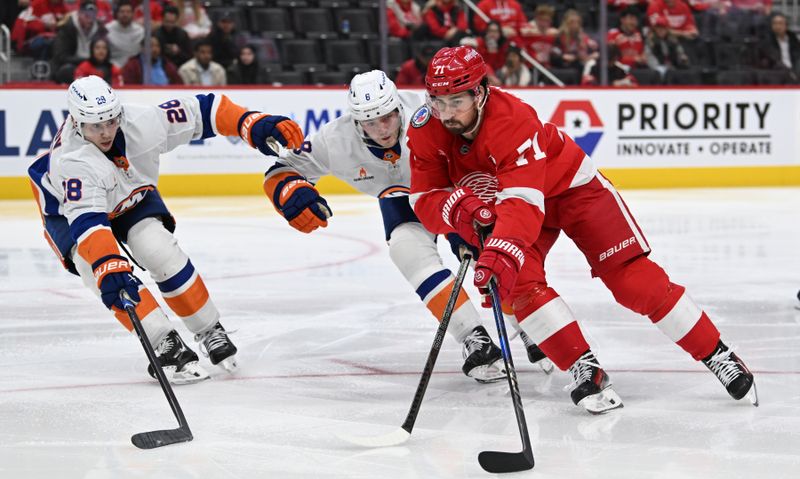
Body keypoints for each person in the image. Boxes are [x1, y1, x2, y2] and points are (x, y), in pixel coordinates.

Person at [407, 46, 758, 413]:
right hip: (507, 204)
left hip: (572, 191)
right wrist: (455, 211)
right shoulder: (426, 127)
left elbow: (524, 206)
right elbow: (424, 197)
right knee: (520, 284)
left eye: (455, 102)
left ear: (479, 92)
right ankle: (583, 367)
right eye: (437, 102)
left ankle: (718, 354)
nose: (445, 114)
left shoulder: (512, 119)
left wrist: (499, 249)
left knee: (632, 281)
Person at [262, 70, 552, 383]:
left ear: (399, 107)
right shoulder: (335, 140)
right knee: (406, 250)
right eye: (369, 123)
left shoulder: (429, 113)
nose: (381, 129)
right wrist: (291, 192)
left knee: (489, 253)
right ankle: (472, 336)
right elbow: (282, 169)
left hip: (451, 189)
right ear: (355, 120)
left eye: (387, 118)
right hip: (401, 198)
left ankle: (527, 324)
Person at [27, 75, 304, 384]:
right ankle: (163, 342)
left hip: (130, 195)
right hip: (67, 213)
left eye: (111, 121)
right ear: (78, 124)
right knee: (96, 268)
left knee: (158, 249)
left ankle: (209, 328)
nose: (107, 132)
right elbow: (88, 221)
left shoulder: (142, 122)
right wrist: (107, 263)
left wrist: (248, 122)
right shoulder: (73, 160)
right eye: (96, 126)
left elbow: (204, 110)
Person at [51, 0, 107, 83]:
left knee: (105, 70)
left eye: (92, 15)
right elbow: (61, 56)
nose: (90, 19)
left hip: (91, 65)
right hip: (72, 65)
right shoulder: (67, 28)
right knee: (67, 70)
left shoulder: (100, 29)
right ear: (79, 13)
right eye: (86, 15)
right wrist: (86, 62)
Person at [105, 0, 143, 68]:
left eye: (128, 12)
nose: (125, 14)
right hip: (113, 68)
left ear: (133, 14)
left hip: (134, 69)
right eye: (122, 12)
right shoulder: (107, 29)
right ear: (117, 13)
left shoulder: (140, 31)